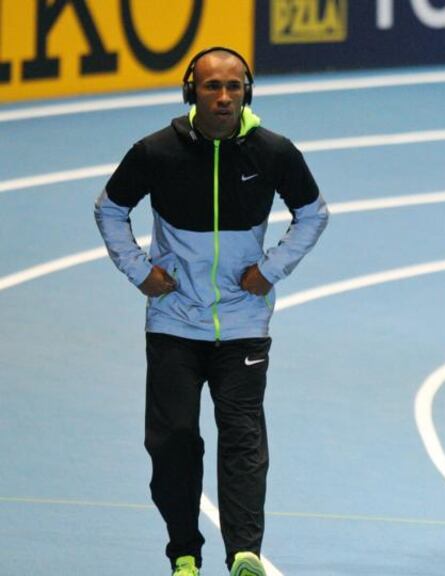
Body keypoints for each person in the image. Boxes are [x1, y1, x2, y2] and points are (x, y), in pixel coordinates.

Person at [94, 46, 329, 576]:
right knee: (173, 440)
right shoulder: (156, 152)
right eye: (211, 87)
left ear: (248, 92)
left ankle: (244, 551)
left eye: (234, 87)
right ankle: (183, 551)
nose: (224, 98)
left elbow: (313, 214)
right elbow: (109, 210)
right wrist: (139, 271)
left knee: (243, 438)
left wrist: (272, 269)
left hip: (245, 323)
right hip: (175, 322)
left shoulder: (273, 152)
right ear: (190, 91)